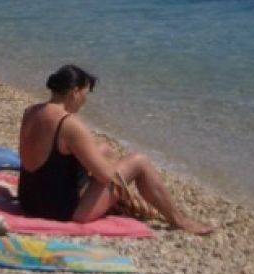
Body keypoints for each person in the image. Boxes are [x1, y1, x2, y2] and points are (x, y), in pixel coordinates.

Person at [17, 64, 213, 234]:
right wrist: (126, 188)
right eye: (85, 94)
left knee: (105, 150)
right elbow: (106, 176)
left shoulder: (31, 112)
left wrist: (104, 162)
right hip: (59, 211)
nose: (85, 101)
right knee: (139, 162)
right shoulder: (69, 123)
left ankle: (116, 201)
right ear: (75, 92)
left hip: (29, 200)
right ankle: (178, 219)